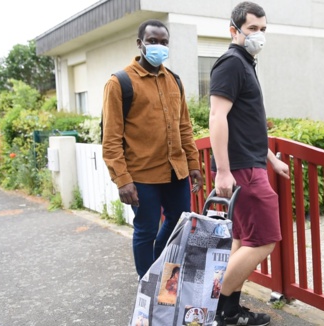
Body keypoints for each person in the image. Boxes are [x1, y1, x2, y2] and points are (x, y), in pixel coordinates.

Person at [208, 2, 290, 326]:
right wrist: (224, 171)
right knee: (264, 240)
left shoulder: (246, 64)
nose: (259, 35)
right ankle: (211, 305)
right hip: (242, 171)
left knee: (242, 241)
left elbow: (249, 123)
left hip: (250, 164)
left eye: (263, 29)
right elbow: (217, 117)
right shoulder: (230, 63)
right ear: (234, 30)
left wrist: (270, 158)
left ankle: (229, 312)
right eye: (252, 28)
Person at [102, 19, 203, 279]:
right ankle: (146, 285)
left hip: (175, 171)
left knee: (179, 223)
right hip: (142, 175)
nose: (159, 46)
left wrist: (193, 164)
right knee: (146, 229)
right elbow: (111, 138)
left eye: (164, 42)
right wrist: (122, 180)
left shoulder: (175, 81)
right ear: (140, 44)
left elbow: (185, 128)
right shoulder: (119, 83)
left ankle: (160, 270)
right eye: (152, 41)